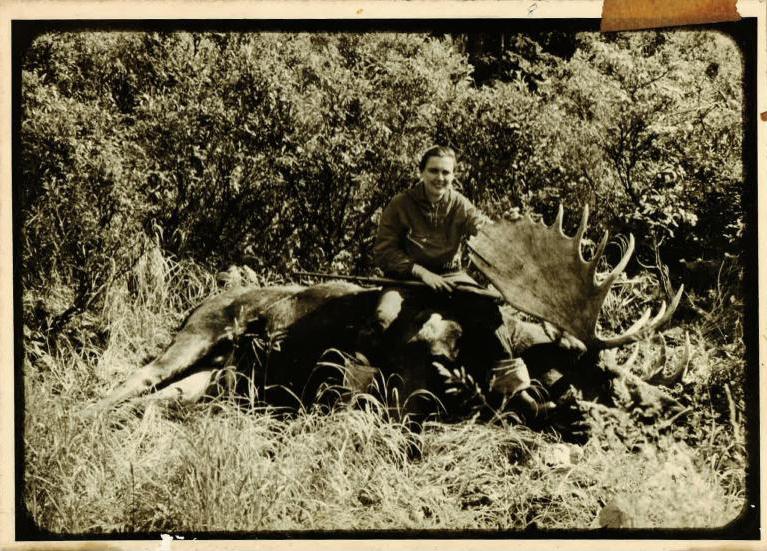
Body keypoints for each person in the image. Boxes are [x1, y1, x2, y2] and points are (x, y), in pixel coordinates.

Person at [373, 145, 551, 419]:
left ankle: (512, 386)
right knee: (384, 316)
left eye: (446, 173)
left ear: (453, 176)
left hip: (450, 276)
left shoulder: (458, 204)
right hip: (409, 278)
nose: (439, 178)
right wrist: (421, 273)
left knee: (488, 307)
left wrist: (504, 225)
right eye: (433, 171)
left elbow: (482, 228)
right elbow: (385, 251)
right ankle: (376, 386)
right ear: (421, 172)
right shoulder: (401, 205)